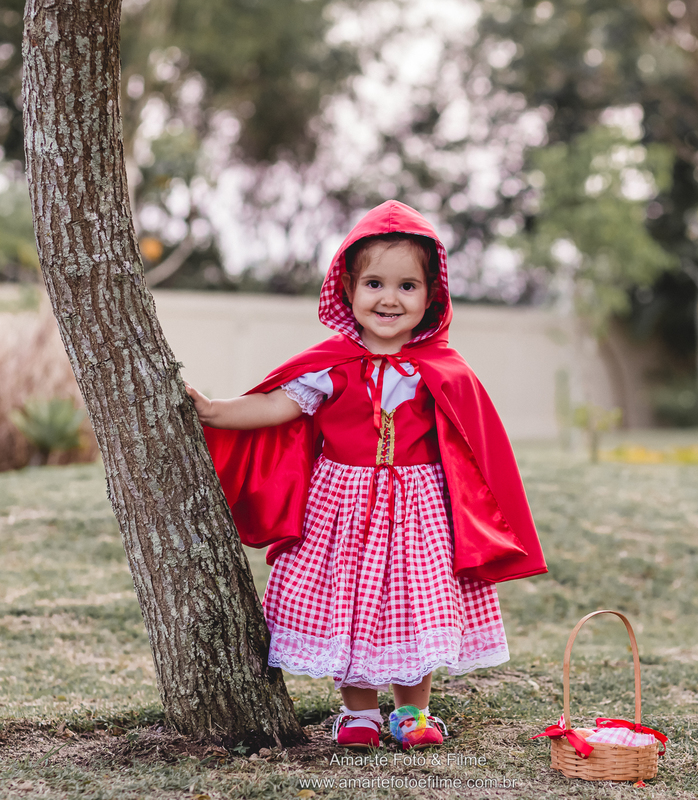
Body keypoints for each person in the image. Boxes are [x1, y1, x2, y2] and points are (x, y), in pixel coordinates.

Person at [186, 200, 546, 750]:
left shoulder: (442, 370)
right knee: (348, 602)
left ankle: (412, 714)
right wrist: (214, 411)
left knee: (416, 603)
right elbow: (277, 405)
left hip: (419, 512)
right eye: (374, 283)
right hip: (342, 508)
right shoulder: (330, 366)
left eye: (407, 286)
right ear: (348, 290)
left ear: (431, 297)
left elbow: (475, 450)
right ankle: (358, 714)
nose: (389, 298)